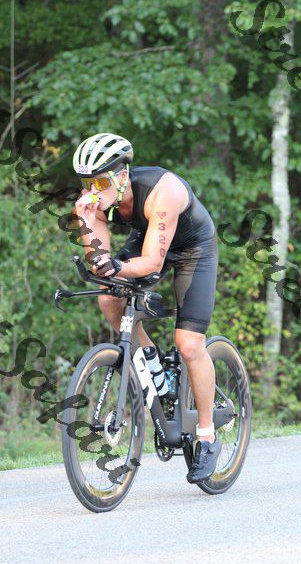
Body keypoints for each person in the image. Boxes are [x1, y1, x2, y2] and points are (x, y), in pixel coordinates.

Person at [73, 132, 221, 483]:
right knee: (108, 296)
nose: (92, 190)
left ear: (122, 176)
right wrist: (87, 223)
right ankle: (153, 365)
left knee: (189, 344)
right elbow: (100, 261)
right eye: (86, 183)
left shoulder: (162, 191)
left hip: (193, 250)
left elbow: (153, 262)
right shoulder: (93, 202)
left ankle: (207, 435)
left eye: (100, 182)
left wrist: (117, 267)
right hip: (150, 238)